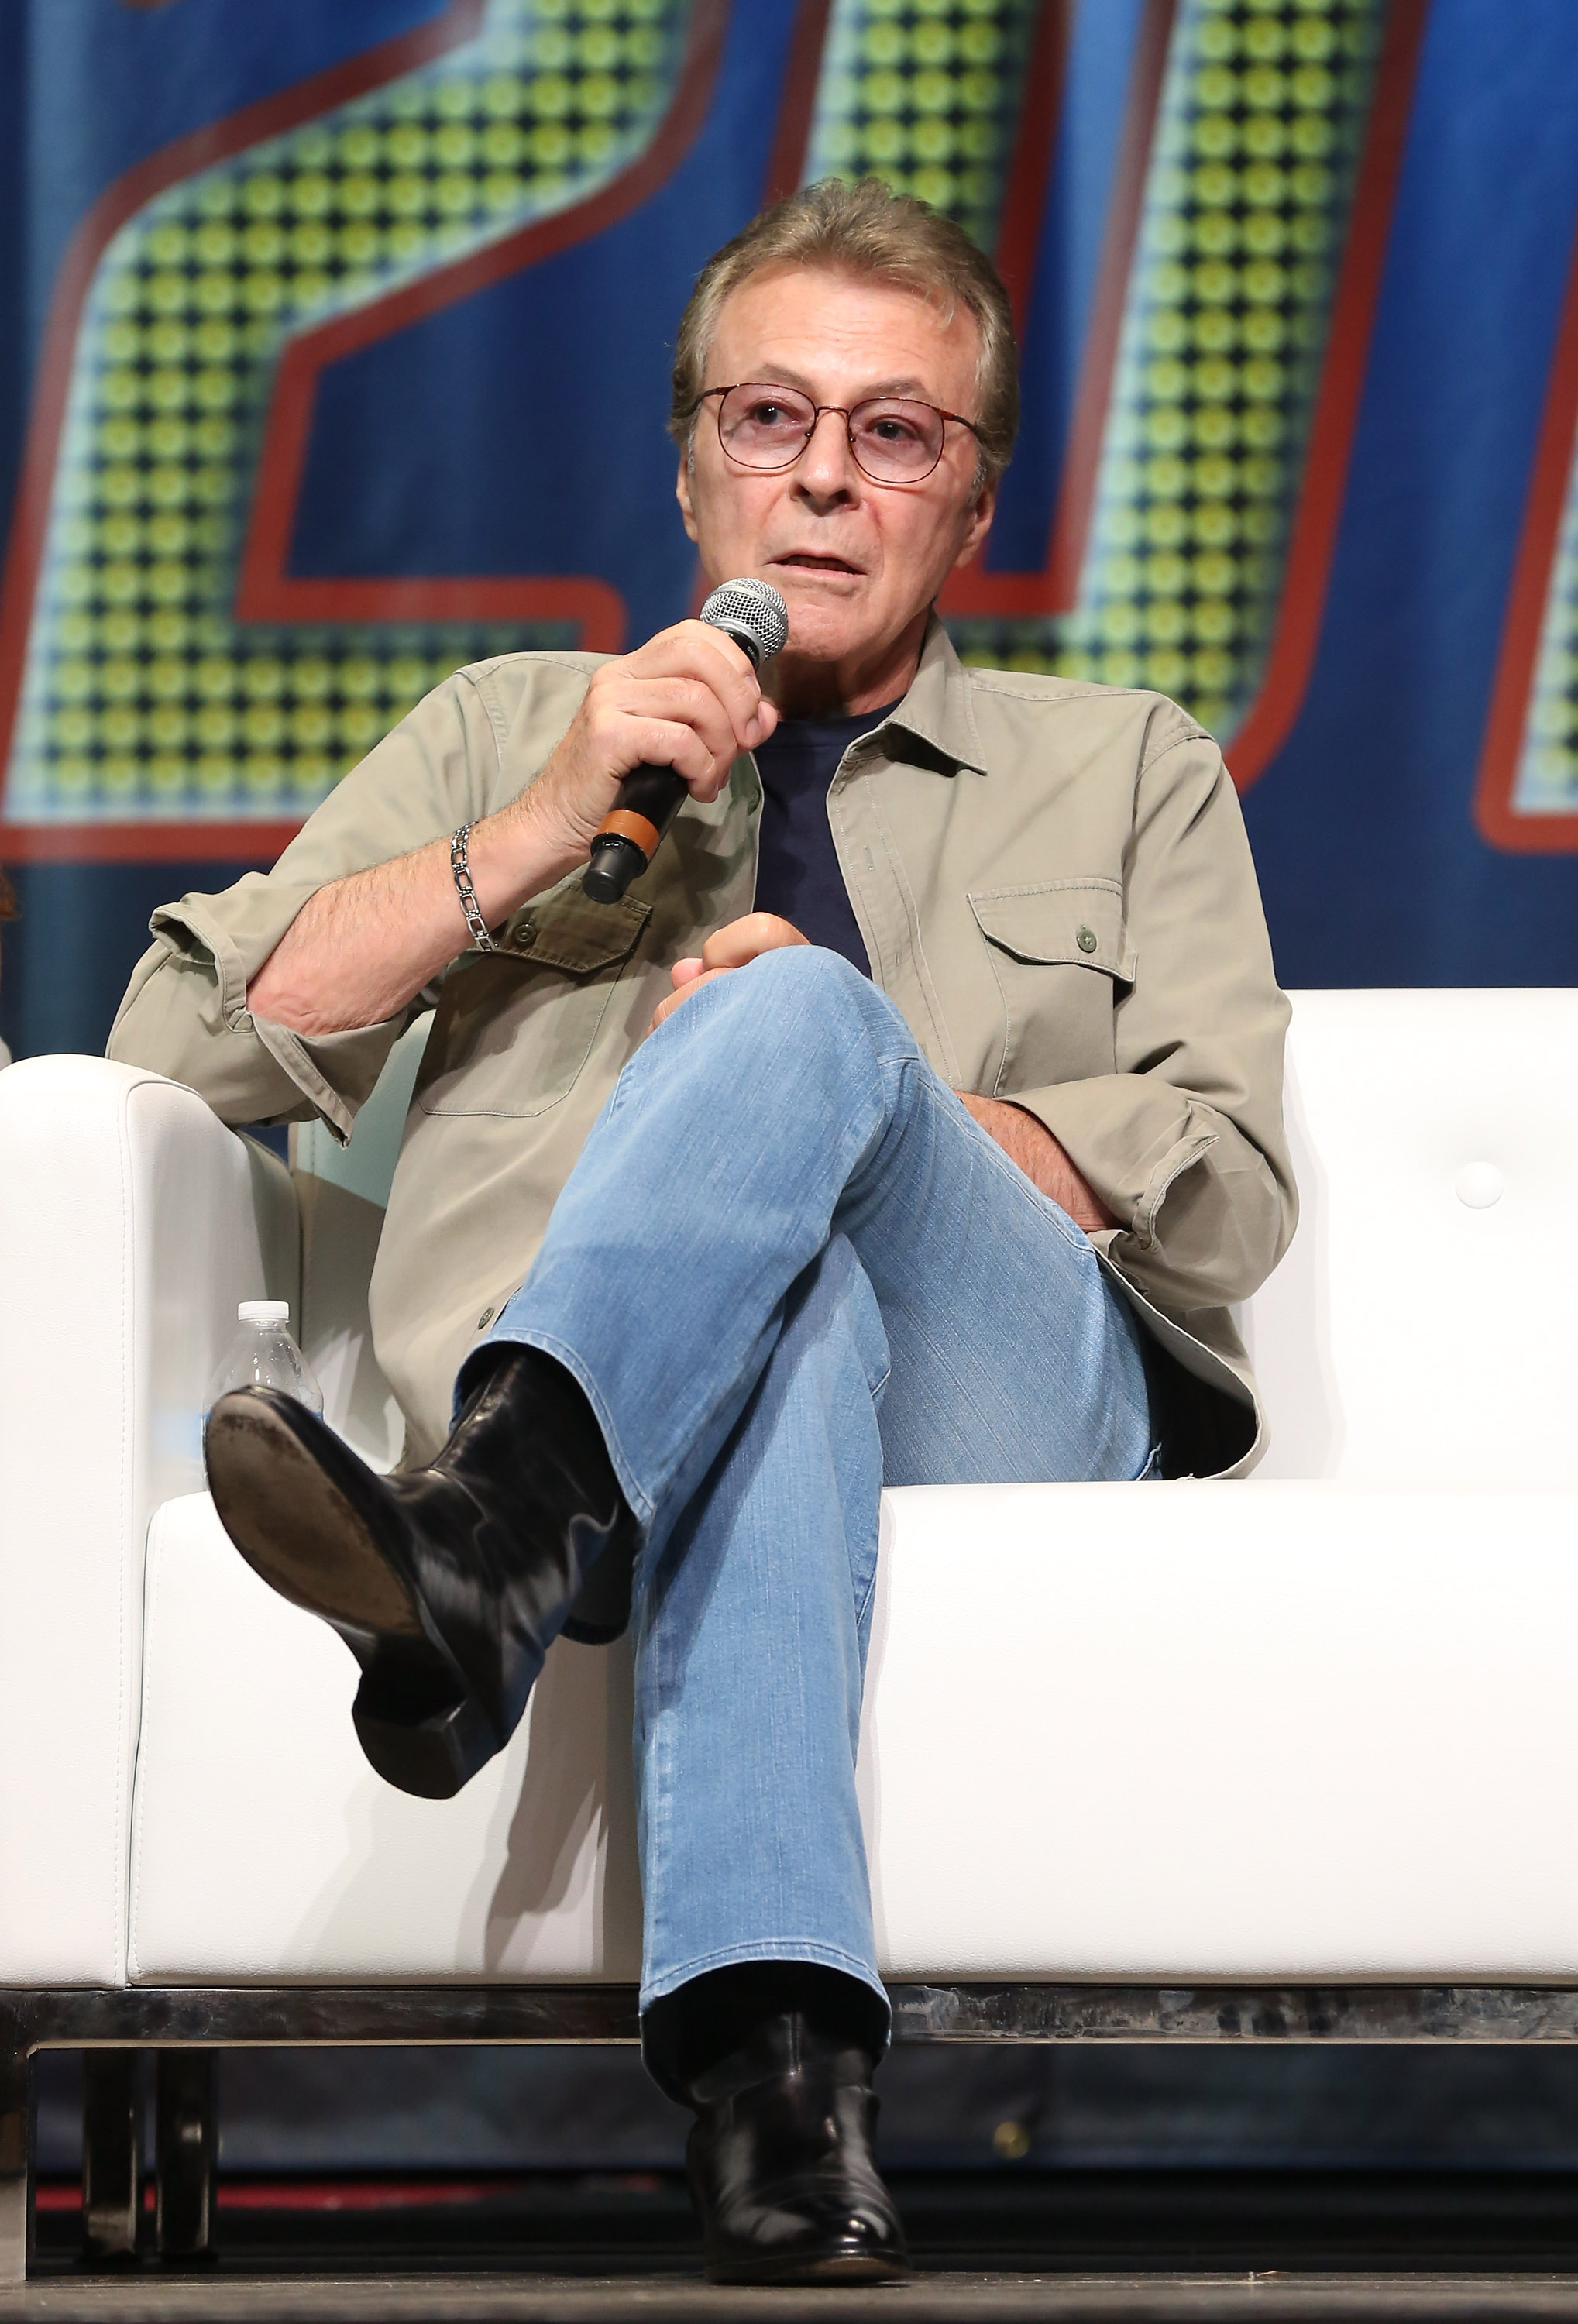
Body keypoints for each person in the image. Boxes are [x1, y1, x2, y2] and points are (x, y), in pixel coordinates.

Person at [109, 179, 1296, 2285]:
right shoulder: (514, 727)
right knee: (792, 1317)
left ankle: (496, 1527)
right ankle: (780, 2081)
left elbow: (1225, 1178)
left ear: (973, 504)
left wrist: (845, 1096)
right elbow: (180, 1044)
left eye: (896, 432)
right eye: (770, 419)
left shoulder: (1127, 767)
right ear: (689, 469)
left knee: (801, 1034)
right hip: (731, 1368)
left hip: (1009, 1383)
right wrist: (542, 830)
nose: (823, 477)